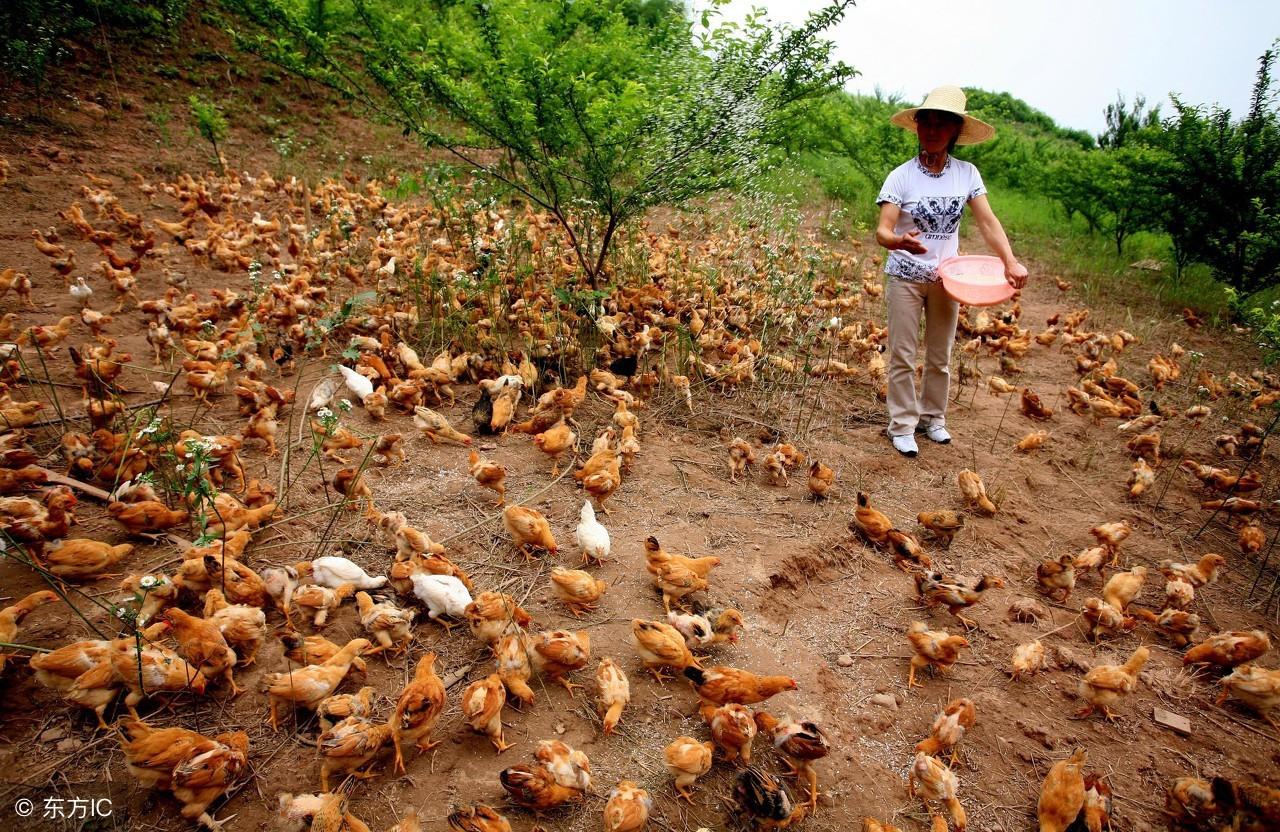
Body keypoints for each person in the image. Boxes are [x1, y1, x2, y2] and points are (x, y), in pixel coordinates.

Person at [874, 85, 1028, 457]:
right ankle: (902, 425)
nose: (932, 130)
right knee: (903, 353)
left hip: (947, 277)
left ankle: (933, 419)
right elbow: (883, 229)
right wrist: (897, 241)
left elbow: (988, 222)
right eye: (926, 122)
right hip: (907, 276)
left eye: (942, 124)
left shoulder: (967, 174)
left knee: (941, 355)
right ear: (917, 127)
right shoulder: (901, 176)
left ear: (955, 130)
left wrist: (1010, 260)